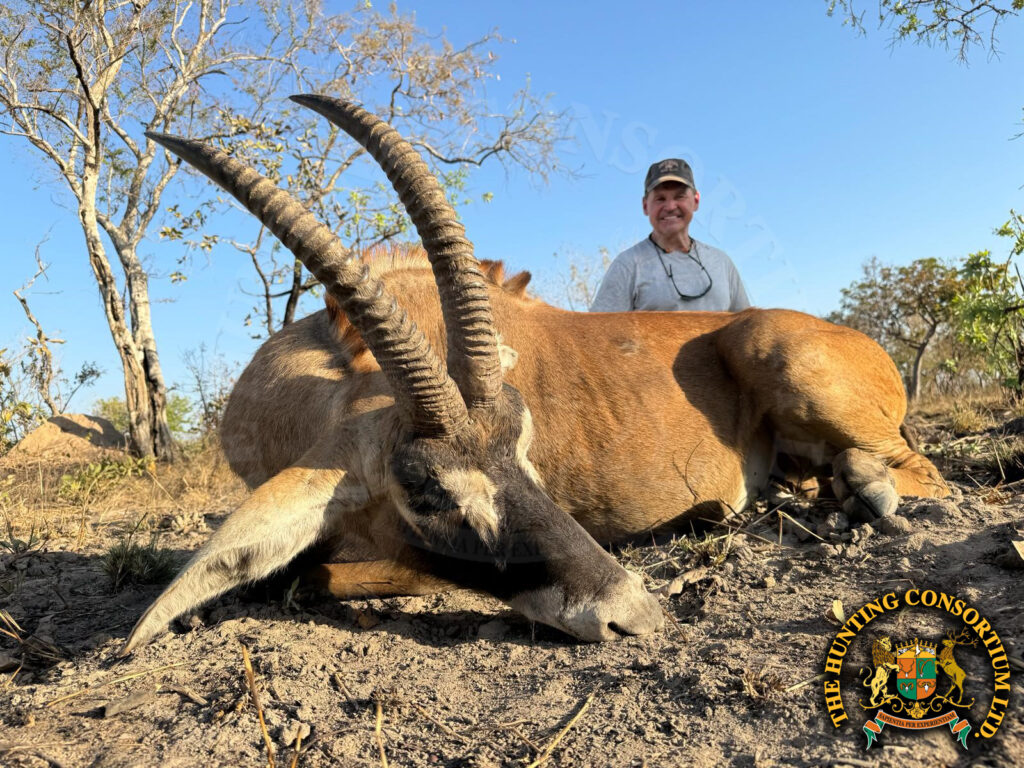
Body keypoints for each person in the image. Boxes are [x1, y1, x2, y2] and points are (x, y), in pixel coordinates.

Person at [589, 158, 751, 312]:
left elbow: (747, 328)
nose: (670, 206)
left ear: (696, 201)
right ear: (645, 206)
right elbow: (597, 333)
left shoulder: (721, 262)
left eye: (680, 196)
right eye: (660, 199)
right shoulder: (628, 265)